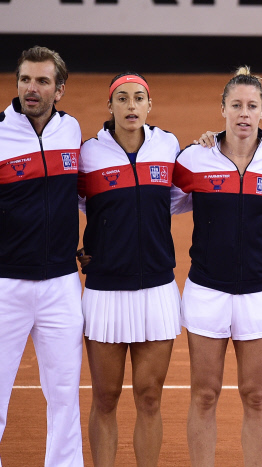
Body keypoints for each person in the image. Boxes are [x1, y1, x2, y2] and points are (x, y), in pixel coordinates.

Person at [0, 46, 84, 466]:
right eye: (26, 79)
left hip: (61, 286)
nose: (32, 88)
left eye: (43, 81)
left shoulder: (72, 132)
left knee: (65, 397)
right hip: (1, 289)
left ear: (59, 89)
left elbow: (86, 195)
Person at [172, 67, 262, 467]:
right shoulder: (194, 159)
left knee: (256, 395)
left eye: (252, 106)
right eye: (236, 105)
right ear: (222, 109)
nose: (244, 113)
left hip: (260, 292)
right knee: (204, 393)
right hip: (207, 290)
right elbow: (160, 206)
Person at [77, 72, 190, 466]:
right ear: (109, 107)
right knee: (105, 396)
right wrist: (82, 246)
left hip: (157, 288)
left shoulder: (168, 146)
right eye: (121, 99)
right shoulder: (88, 152)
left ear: (149, 106)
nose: (130, 106)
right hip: (106, 289)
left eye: (138, 98)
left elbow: (180, 195)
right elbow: (64, 202)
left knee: (149, 395)